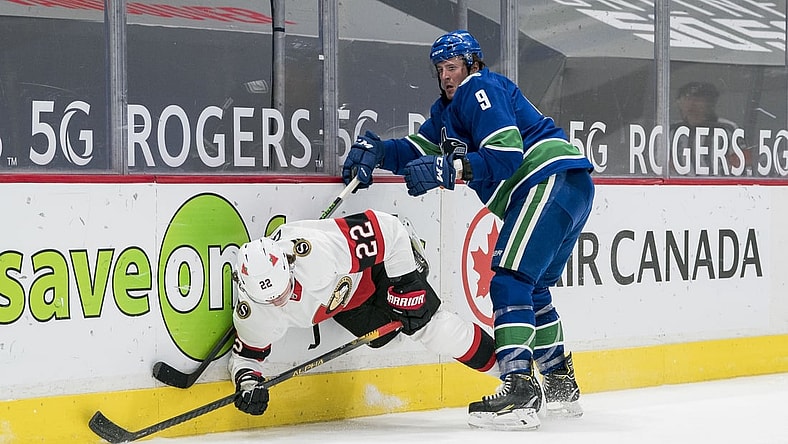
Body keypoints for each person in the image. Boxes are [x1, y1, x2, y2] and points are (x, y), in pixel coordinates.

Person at [341, 30, 594, 430]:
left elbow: (506, 156)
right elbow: (418, 150)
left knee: (509, 280)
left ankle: (519, 388)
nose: (446, 75)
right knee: (531, 289)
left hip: (545, 179)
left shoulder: (479, 89)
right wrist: (380, 151)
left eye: (452, 66)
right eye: (440, 69)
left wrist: (453, 168)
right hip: (569, 186)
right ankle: (560, 383)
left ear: (472, 64)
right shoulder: (448, 113)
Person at [228, 209, 497, 418]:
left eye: (283, 291)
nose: (279, 302)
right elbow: (246, 358)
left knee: (427, 326)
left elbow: (389, 229)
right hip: (343, 304)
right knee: (384, 340)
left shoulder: (315, 250)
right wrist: (248, 384)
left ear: (289, 264)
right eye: (270, 300)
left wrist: (405, 280)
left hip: (374, 271)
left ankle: (509, 375)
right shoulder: (253, 312)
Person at [670, 81, 751, 176]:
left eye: (698, 99)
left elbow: (744, 164)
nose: (692, 103)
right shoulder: (673, 131)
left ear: (711, 103)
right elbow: (666, 165)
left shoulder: (728, 129)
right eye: (687, 98)